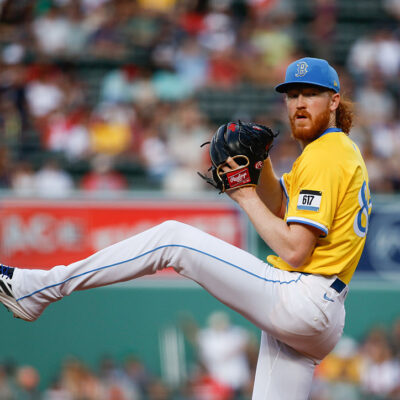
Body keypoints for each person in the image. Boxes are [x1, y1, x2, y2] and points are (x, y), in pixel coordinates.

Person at [0, 58, 371, 399]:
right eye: (293, 95)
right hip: (321, 314)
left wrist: (243, 194)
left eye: (311, 94)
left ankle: (39, 288)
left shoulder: (326, 155)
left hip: (304, 298)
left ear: (335, 100)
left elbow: (293, 250)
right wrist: (263, 164)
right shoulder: (334, 151)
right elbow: (280, 208)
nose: (300, 103)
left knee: (173, 239)